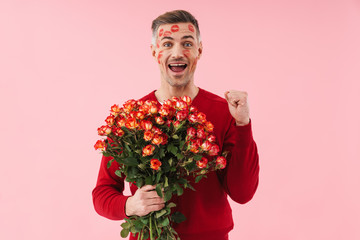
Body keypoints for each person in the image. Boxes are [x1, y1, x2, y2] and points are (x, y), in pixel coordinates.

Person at [92, 10, 260, 240]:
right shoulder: (131, 119)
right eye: (168, 43)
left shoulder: (225, 111)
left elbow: (243, 193)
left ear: (199, 51)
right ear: (154, 52)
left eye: (187, 43)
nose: (177, 53)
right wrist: (129, 205)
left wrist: (243, 124)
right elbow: (102, 193)